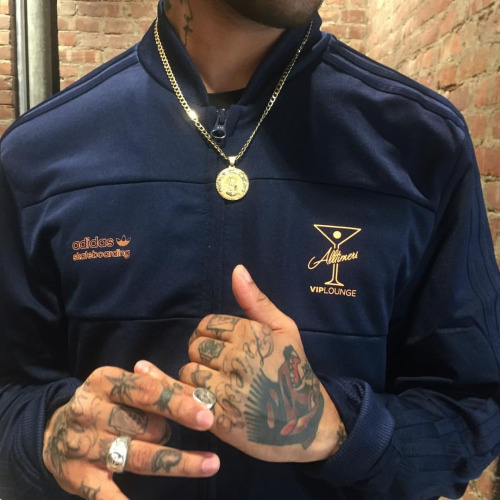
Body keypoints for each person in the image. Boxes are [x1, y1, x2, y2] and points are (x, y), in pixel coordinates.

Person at [0, 0, 498, 498]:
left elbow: (475, 407)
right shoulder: (37, 154)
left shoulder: (421, 144)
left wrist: (336, 428)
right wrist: (44, 432)